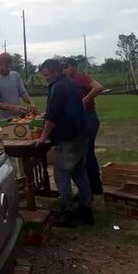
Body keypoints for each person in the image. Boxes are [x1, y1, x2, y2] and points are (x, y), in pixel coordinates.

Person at [36, 58, 93, 227]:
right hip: (81, 133)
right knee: (79, 172)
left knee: (61, 174)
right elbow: (68, 107)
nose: (45, 77)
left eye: (46, 74)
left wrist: (43, 137)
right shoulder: (70, 83)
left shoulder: (58, 86)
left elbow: (52, 117)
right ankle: (86, 210)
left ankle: (69, 213)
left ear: (53, 71)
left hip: (68, 137)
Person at [61, 57, 105, 195]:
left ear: (74, 67)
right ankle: (93, 187)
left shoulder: (81, 77)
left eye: (66, 67)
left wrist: (85, 100)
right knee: (86, 154)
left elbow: (99, 87)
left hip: (88, 119)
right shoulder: (68, 82)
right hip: (82, 119)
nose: (64, 70)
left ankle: (92, 188)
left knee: (86, 154)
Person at [0, 53, 36, 120]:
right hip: (3, 119)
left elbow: (23, 93)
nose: (9, 69)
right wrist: (13, 108)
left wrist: (31, 103)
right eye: (6, 66)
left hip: (18, 117)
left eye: (10, 66)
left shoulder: (15, 75)